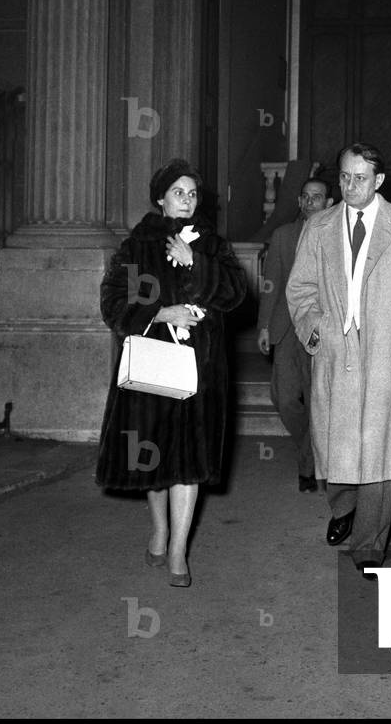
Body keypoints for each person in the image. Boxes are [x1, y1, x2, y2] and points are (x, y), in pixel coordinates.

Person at [286, 142, 391, 574]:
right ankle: (344, 506)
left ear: (379, 181)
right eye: (344, 177)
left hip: (389, 351)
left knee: (382, 451)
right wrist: (316, 328)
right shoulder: (318, 227)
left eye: (360, 179)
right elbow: (299, 290)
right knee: (331, 443)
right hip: (335, 351)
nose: (350, 186)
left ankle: (370, 544)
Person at [96, 159, 247, 588]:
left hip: (202, 369)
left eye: (192, 193)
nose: (186, 200)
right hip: (154, 362)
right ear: (161, 198)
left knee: (190, 460)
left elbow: (237, 294)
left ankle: (179, 550)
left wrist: (196, 263)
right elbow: (112, 302)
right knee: (155, 456)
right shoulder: (137, 246)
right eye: (178, 193)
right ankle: (160, 530)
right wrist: (161, 311)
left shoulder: (212, 245)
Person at [257, 177, 334, 492]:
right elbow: (270, 283)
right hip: (287, 327)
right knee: (285, 397)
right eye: (305, 197)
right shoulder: (283, 236)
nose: (310, 202)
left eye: (317, 197)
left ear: (329, 203)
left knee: (319, 400)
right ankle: (314, 451)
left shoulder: (340, 238)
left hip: (324, 330)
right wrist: (264, 325)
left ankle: (308, 465)